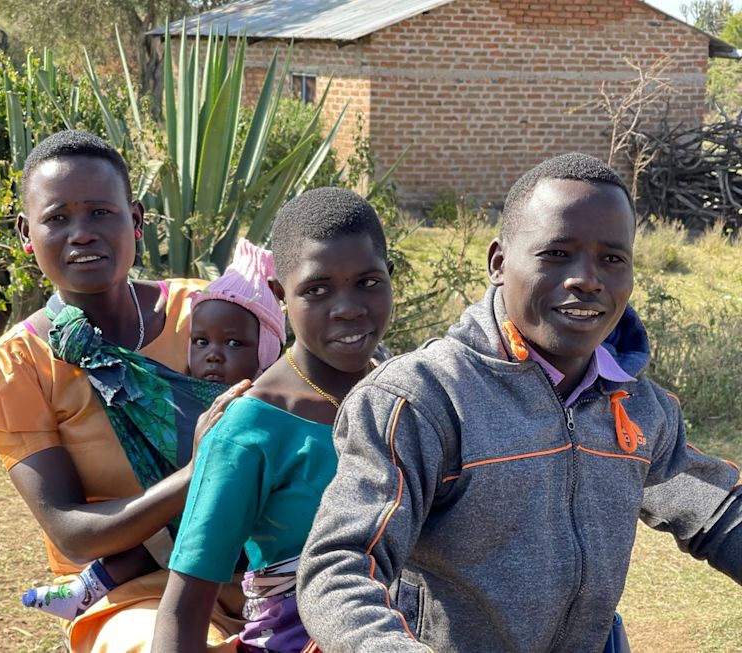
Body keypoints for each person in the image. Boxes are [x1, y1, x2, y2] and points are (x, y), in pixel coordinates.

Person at [296, 153, 742, 653]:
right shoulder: (422, 399)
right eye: (557, 253)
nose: (587, 278)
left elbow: (720, 513)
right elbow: (342, 567)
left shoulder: (639, 405)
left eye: (612, 258)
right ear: (498, 263)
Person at [0, 130, 251, 652]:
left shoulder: (209, 315)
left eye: (100, 212)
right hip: (131, 595)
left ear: (137, 221)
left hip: (261, 569)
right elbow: (72, 531)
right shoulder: (19, 364)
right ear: (26, 232)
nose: (81, 234)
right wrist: (198, 473)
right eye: (57, 218)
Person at [151, 187, 394, 653]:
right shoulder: (252, 428)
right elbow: (184, 609)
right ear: (281, 295)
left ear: (389, 276)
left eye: (367, 282)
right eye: (316, 290)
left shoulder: (407, 397)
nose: (347, 308)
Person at [20, 236, 286, 622]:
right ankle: (86, 588)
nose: (214, 352)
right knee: (152, 536)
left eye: (234, 343)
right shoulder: (176, 391)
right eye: (201, 341)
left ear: (264, 353)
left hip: (248, 533)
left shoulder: (267, 402)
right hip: (181, 517)